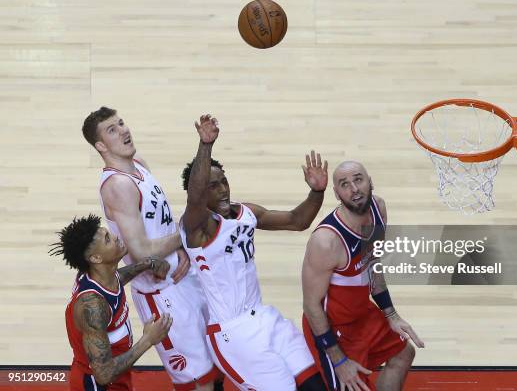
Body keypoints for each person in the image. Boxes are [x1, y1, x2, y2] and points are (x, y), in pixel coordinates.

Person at [179, 114, 328, 390]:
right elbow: (195, 197)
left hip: (265, 317)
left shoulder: (247, 213)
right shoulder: (197, 228)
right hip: (233, 334)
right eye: (213, 186)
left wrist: (316, 193)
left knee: (315, 385)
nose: (223, 190)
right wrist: (205, 146)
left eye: (224, 181)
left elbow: (297, 221)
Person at [82, 107, 220, 391]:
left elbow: (162, 222)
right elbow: (142, 251)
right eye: (112, 130)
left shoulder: (139, 164)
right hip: (162, 297)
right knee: (197, 382)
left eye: (121, 123)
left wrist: (181, 246)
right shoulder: (118, 186)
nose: (123, 130)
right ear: (100, 146)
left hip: (184, 276)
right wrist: (183, 236)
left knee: (214, 363)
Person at [302, 161, 425, 391]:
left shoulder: (379, 209)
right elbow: (311, 306)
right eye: (345, 184)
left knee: (403, 354)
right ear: (337, 195)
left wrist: (391, 313)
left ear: (371, 182)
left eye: (358, 179)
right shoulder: (326, 241)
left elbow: (373, 263)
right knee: (353, 383)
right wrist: (338, 359)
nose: (354, 188)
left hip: (362, 315)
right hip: (332, 327)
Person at [50, 214, 173, 391]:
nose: (115, 237)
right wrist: (148, 339)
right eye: (108, 240)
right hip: (100, 384)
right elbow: (104, 374)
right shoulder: (92, 306)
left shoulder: (101, 275)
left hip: (116, 373)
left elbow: (118, 278)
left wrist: (146, 264)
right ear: (96, 258)